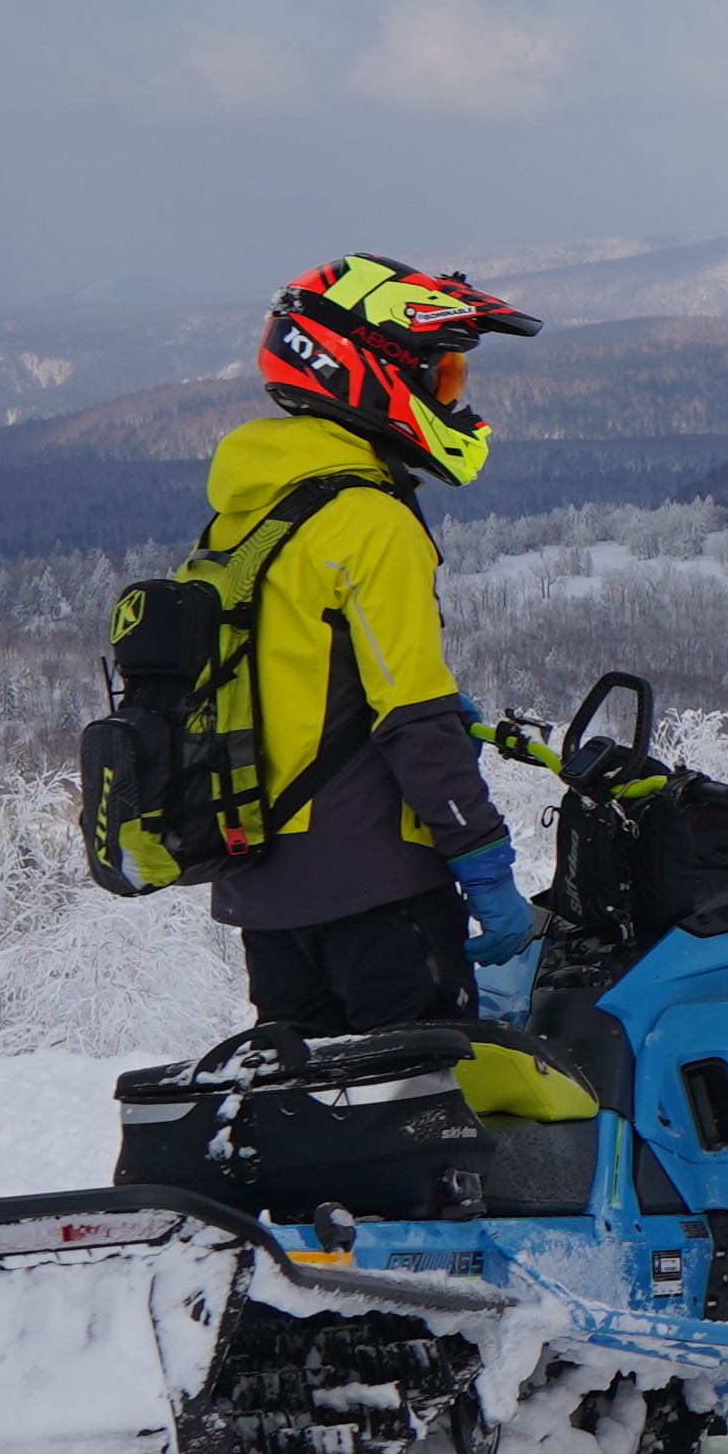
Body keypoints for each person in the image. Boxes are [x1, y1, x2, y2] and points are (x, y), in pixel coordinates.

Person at [205, 253, 544, 1039]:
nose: (455, 397)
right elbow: (412, 718)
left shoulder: (252, 509)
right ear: (379, 371)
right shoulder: (371, 520)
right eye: (447, 375)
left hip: (268, 898)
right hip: (377, 895)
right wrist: (485, 866)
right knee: (415, 1127)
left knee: (319, 1132)